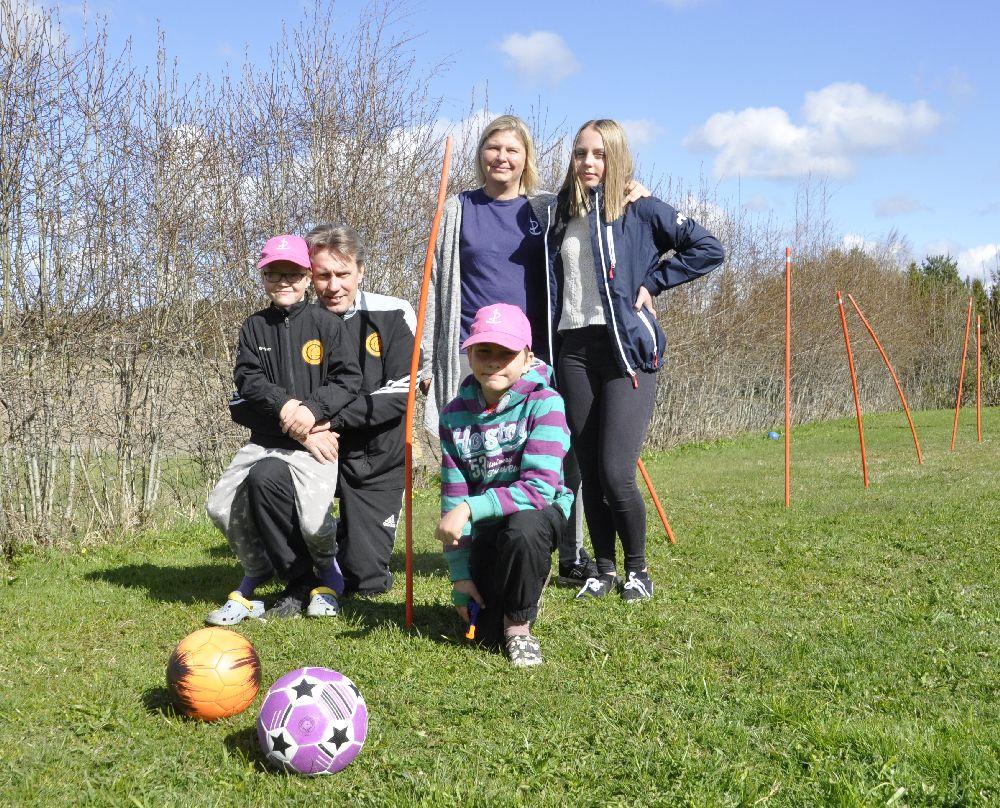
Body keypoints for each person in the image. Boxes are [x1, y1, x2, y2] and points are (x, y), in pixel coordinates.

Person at [421, 115, 647, 586]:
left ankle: (567, 552)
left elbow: (605, 219)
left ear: (526, 158)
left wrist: (633, 193)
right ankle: (483, 542)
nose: (502, 157)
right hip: (474, 346)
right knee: (481, 449)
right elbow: (435, 284)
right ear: (481, 154)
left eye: (512, 150)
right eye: (493, 148)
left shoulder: (547, 208)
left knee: (560, 453)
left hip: (537, 350)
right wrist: (427, 357)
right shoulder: (456, 210)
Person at [543, 119, 724, 602]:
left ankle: (638, 571)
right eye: (581, 154)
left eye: (599, 154)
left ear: (616, 157)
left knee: (616, 469)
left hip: (628, 352)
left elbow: (709, 248)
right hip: (574, 350)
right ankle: (602, 570)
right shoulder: (560, 213)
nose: (588, 163)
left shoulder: (639, 208)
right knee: (587, 466)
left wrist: (654, 282)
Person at [205, 234, 363, 623]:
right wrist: (287, 407)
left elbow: (348, 380)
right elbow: (248, 381)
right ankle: (258, 567)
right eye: (274, 274)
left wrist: (312, 411)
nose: (284, 282)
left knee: (313, 522)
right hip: (264, 442)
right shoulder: (254, 327)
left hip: (316, 446)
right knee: (219, 506)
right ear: (263, 278)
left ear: (307, 278)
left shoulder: (327, 325)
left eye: (292, 274)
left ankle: (326, 568)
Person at [437, 304, 574, 668]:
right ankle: (513, 598)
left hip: (538, 516)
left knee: (523, 531)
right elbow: (454, 495)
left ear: (527, 358)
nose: (493, 362)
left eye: (506, 353)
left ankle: (520, 625)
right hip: (488, 525)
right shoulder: (453, 415)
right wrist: (460, 577)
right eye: (484, 352)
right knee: (483, 635)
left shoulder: (546, 404)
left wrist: (469, 508)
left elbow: (539, 489)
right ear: (469, 354)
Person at [305, 223, 416, 596]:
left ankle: (349, 543)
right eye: (323, 275)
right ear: (310, 276)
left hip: (376, 458)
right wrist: (306, 429)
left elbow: (403, 390)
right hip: (315, 450)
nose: (333, 286)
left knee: (364, 582)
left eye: (343, 274)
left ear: (361, 271)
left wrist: (324, 418)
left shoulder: (394, 313)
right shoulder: (296, 321)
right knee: (301, 576)